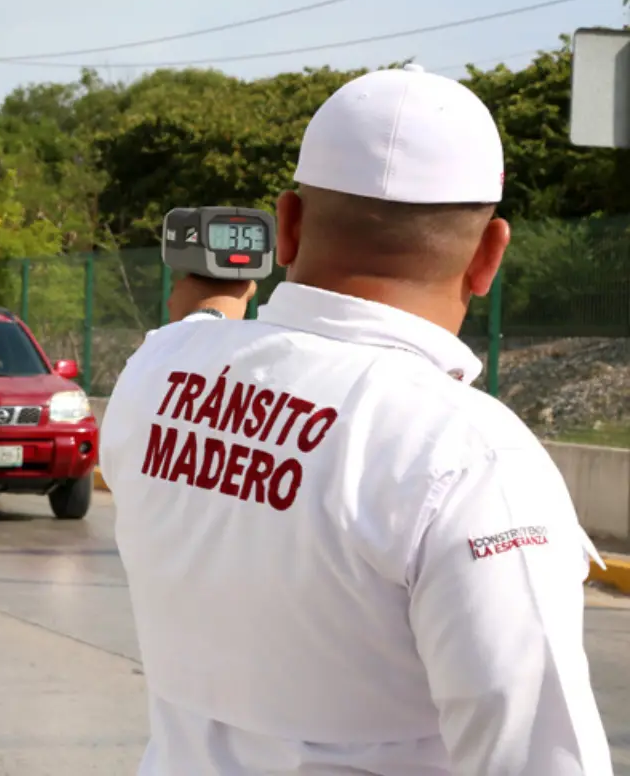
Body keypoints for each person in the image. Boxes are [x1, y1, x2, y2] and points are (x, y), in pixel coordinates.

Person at [100, 63, 613, 775]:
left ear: (289, 224)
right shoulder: (468, 455)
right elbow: (535, 757)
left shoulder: (158, 374)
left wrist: (219, 295)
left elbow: (203, 327)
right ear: (490, 254)